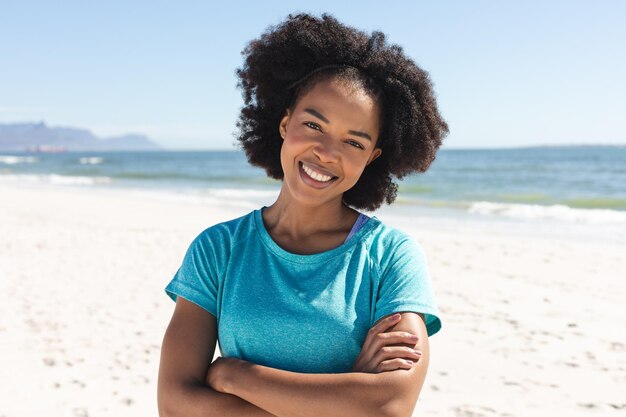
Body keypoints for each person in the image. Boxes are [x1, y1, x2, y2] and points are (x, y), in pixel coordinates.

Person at [157, 13, 448, 417]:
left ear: (372, 158)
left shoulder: (390, 255)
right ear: (284, 122)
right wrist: (343, 401)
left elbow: (390, 405)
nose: (327, 153)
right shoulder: (218, 249)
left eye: (354, 141)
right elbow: (175, 404)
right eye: (313, 124)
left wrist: (234, 375)